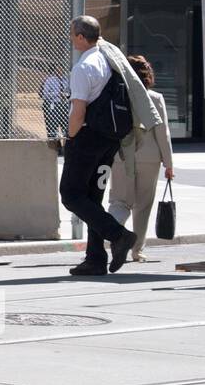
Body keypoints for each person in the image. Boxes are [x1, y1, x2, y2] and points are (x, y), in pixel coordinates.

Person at [62, 15, 162, 277]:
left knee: (71, 194)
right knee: (93, 198)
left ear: (82, 37)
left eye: (73, 34)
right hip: (109, 140)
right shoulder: (109, 60)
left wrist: (70, 137)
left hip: (87, 138)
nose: (71, 39)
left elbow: (78, 110)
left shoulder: (84, 68)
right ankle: (95, 258)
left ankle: (119, 235)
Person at [108, 55, 175, 263]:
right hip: (149, 157)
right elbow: (162, 132)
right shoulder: (155, 98)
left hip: (121, 156)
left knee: (119, 202)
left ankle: (115, 237)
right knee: (143, 205)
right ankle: (137, 250)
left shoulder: (117, 96)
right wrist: (168, 163)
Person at [42, 70, 68, 142]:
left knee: (66, 125)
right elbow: (45, 94)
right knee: (53, 124)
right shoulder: (50, 80)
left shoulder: (66, 79)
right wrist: (57, 93)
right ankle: (55, 144)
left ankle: (66, 145)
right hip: (53, 104)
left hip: (64, 104)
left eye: (61, 68)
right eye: (58, 68)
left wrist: (66, 94)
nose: (60, 70)